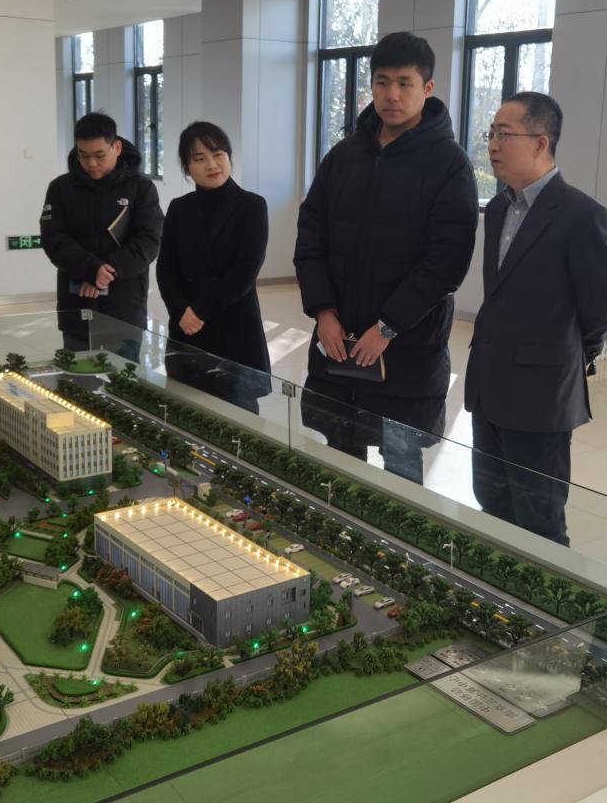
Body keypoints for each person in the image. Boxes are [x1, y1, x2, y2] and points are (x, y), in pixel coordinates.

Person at [294, 31, 478, 484]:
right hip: (339, 340)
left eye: (404, 83)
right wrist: (323, 311)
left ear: (427, 88)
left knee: (401, 472)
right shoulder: (343, 156)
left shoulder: (449, 163)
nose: (392, 95)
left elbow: (446, 261)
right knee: (340, 468)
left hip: (407, 349)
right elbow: (311, 238)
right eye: (382, 82)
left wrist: (388, 326)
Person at [465, 93, 607, 545]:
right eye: (491, 133)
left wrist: (573, 355)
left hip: (541, 394)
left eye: (504, 134)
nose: (492, 145)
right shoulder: (498, 208)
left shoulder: (582, 215)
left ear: (540, 142)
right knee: (492, 503)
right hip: (489, 384)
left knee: (539, 518)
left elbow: (602, 305)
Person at [156, 121, 271, 413]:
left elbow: (244, 273)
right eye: (199, 158)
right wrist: (180, 311)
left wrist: (199, 311)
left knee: (238, 424)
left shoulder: (252, 206)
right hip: (187, 328)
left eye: (218, 154)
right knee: (185, 415)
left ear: (229, 157)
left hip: (235, 330)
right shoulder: (179, 208)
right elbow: (166, 269)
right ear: (187, 168)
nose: (211, 164)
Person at [40, 113, 163, 359]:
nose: (92, 164)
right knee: (78, 374)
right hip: (77, 304)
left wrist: (105, 273)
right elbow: (54, 239)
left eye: (99, 155)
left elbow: (148, 242)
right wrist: (91, 269)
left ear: (116, 148)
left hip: (124, 305)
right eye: (83, 155)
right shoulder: (60, 188)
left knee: (124, 376)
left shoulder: (141, 188)